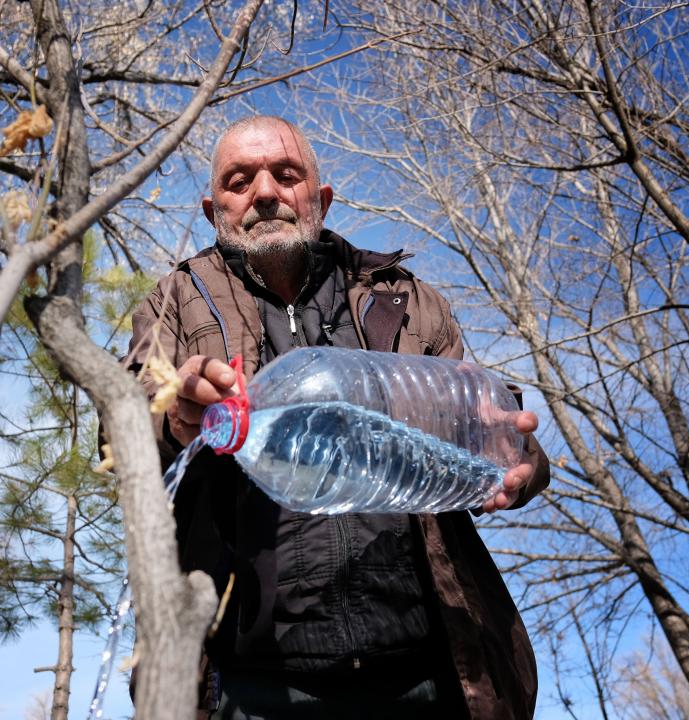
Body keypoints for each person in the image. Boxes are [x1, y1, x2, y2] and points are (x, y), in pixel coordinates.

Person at [127, 116, 550, 719]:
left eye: (286, 174)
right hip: (254, 687)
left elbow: (498, 440)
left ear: (320, 199)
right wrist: (176, 419)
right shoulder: (173, 301)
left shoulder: (405, 298)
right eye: (240, 180)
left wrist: (518, 462)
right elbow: (119, 434)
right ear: (212, 208)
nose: (265, 193)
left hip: (430, 671)